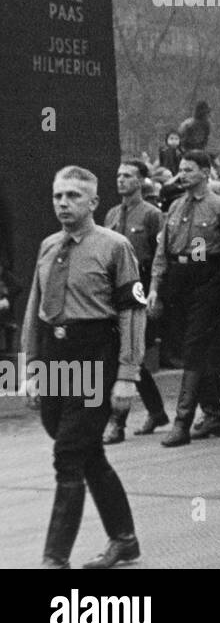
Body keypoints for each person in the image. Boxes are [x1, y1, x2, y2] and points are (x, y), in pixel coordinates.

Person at [25, 166, 145, 568]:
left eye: (74, 196)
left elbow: (132, 314)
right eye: (58, 195)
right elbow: (35, 312)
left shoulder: (115, 247)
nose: (63, 203)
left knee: (68, 453)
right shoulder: (47, 246)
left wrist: (127, 375)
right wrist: (31, 369)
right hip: (55, 356)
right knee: (86, 452)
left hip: (95, 356)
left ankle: (54, 558)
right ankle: (124, 540)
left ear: (93, 202)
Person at [152, 150, 220, 447]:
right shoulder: (174, 207)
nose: (182, 175)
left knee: (193, 348)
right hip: (178, 279)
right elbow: (162, 251)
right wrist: (155, 287)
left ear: (205, 172)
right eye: (180, 169)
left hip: (208, 280)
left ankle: (182, 421)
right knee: (188, 348)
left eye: (189, 169)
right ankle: (213, 413)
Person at [101, 160, 168, 443]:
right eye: (118, 175)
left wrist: (158, 293)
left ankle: (117, 422)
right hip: (114, 294)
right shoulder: (112, 215)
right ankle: (156, 411)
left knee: (129, 355)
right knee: (129, 357)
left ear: (141, 181)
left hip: (139, 292)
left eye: (127, 176)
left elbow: (161, 257)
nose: (121, 180)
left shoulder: (152, 215)